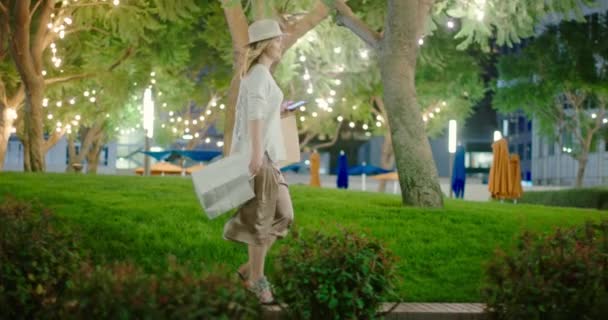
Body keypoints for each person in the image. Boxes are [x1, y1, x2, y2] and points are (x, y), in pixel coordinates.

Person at [222, 19, 294, 304]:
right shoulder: (258, 76)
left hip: (268, 157)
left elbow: (263, 112)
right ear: (265, 44)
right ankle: (257, 279)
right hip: (260, 157)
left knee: (284, 214)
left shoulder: (261, 75)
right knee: (262, 220)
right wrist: (254, 155)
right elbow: (253, 116)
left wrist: (281, 108)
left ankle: (248, 271)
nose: (281, 45)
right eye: (277, 40)